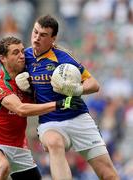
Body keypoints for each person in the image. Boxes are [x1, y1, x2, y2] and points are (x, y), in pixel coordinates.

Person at [15, 15, 119, 180]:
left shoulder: (63, 58)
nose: (36, 37)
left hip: (78, 117)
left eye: (43, 35)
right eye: (35, 32)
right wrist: (21, 87)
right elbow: (10, 82)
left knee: (109, 175)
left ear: (53, 38)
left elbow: (94, 84)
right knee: (54, 143)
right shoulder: (23, 57)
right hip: (50, 122)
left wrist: (76, 89)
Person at [0, 36, 84, 180]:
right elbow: (21, 109)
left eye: (22, 51)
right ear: (3, 58)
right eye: (15, 53)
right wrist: (60, 104)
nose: (22, 56)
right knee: (2, 167)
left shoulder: (29, 78)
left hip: (20, 148)